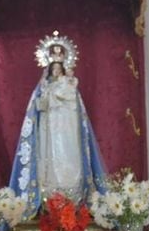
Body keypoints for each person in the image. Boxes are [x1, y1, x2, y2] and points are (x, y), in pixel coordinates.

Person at [9, 35, 107, 219]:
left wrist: (57, 95)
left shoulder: (70, 85)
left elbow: (71, 102)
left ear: (63, 68)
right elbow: (38, 107)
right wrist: (45, 98)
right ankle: (48, 199)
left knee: (70, 156)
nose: (55, 71)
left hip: (67, 127)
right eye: (53, 68)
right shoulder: (44, 86)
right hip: (49, 129)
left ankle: (73, 199)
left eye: (58, 68)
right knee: (49, 158)